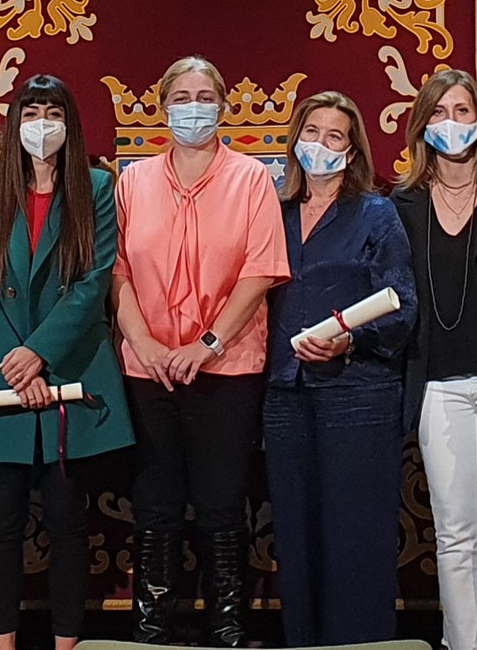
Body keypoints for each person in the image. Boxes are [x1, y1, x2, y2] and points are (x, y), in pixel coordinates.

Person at [111, 56, 288, 646]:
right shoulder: (132, 182)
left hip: (228, 368)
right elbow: (116, 273)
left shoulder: (252, 179)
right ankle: (151, 629)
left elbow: (260, 271)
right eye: (182, 98)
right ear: (163, 107)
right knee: (156, 505)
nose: (194, 108)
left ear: (223, 106)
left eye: (205, 97)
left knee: (220, 504)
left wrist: (206, 345)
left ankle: (228, 629)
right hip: (149, 370)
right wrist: (145, 344)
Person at [0, 74, 132, 650]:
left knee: (67, 520)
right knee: (2, 524)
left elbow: (92, 282)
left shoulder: (97, 187)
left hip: (70, 369)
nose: (41, 124)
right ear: (14, 123)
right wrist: (16, 358)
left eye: (52, 112)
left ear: (69, 123)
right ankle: (3, 643)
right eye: (30, 113)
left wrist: (39, 354)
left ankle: (66, 643)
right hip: (1, 372)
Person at [263, 91, 416, 648]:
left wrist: (350, 341)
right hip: (284, 397)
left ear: (351, 152)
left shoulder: (376, 213)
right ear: (295, 141)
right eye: (312, 133)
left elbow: (402, 306)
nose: (320, 145)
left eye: (334, 137)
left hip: (359, 396)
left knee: (356, 540)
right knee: (295, 538)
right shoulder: (272, 213)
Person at [387, 70, 477, 650]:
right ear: (423, 125)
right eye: (440, 112)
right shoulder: (401, 205)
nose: (452, 123)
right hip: (437, 387)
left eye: (463, 111)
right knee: (454, 533)